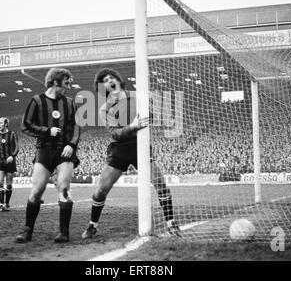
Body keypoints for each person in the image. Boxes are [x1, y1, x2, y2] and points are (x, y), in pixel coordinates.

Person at [81, 68, 180, 240]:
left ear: (118, 80)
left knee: (161, 184)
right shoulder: (104, 109)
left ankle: (171, 224)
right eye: (104, 81)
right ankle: (92, 226)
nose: (109, 81)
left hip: (140, 145)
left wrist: (150, 108)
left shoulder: (138, 96)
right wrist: (133, 126)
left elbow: (152, 116)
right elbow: (114, 133)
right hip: (119, 149)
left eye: (111, 77)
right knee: (101, 190)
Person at [16, 67, 81, 243]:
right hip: (43, 151)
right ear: (55, 82)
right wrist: (46, 131)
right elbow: (26, 125)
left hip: (64, 152)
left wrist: (71, 145)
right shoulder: (36, 101)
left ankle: (63, 232)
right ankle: (27, 230)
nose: (69, 86)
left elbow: (76, 127)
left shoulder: (69, 102)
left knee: (64, 189)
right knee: (36, 191)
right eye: (66, 83)